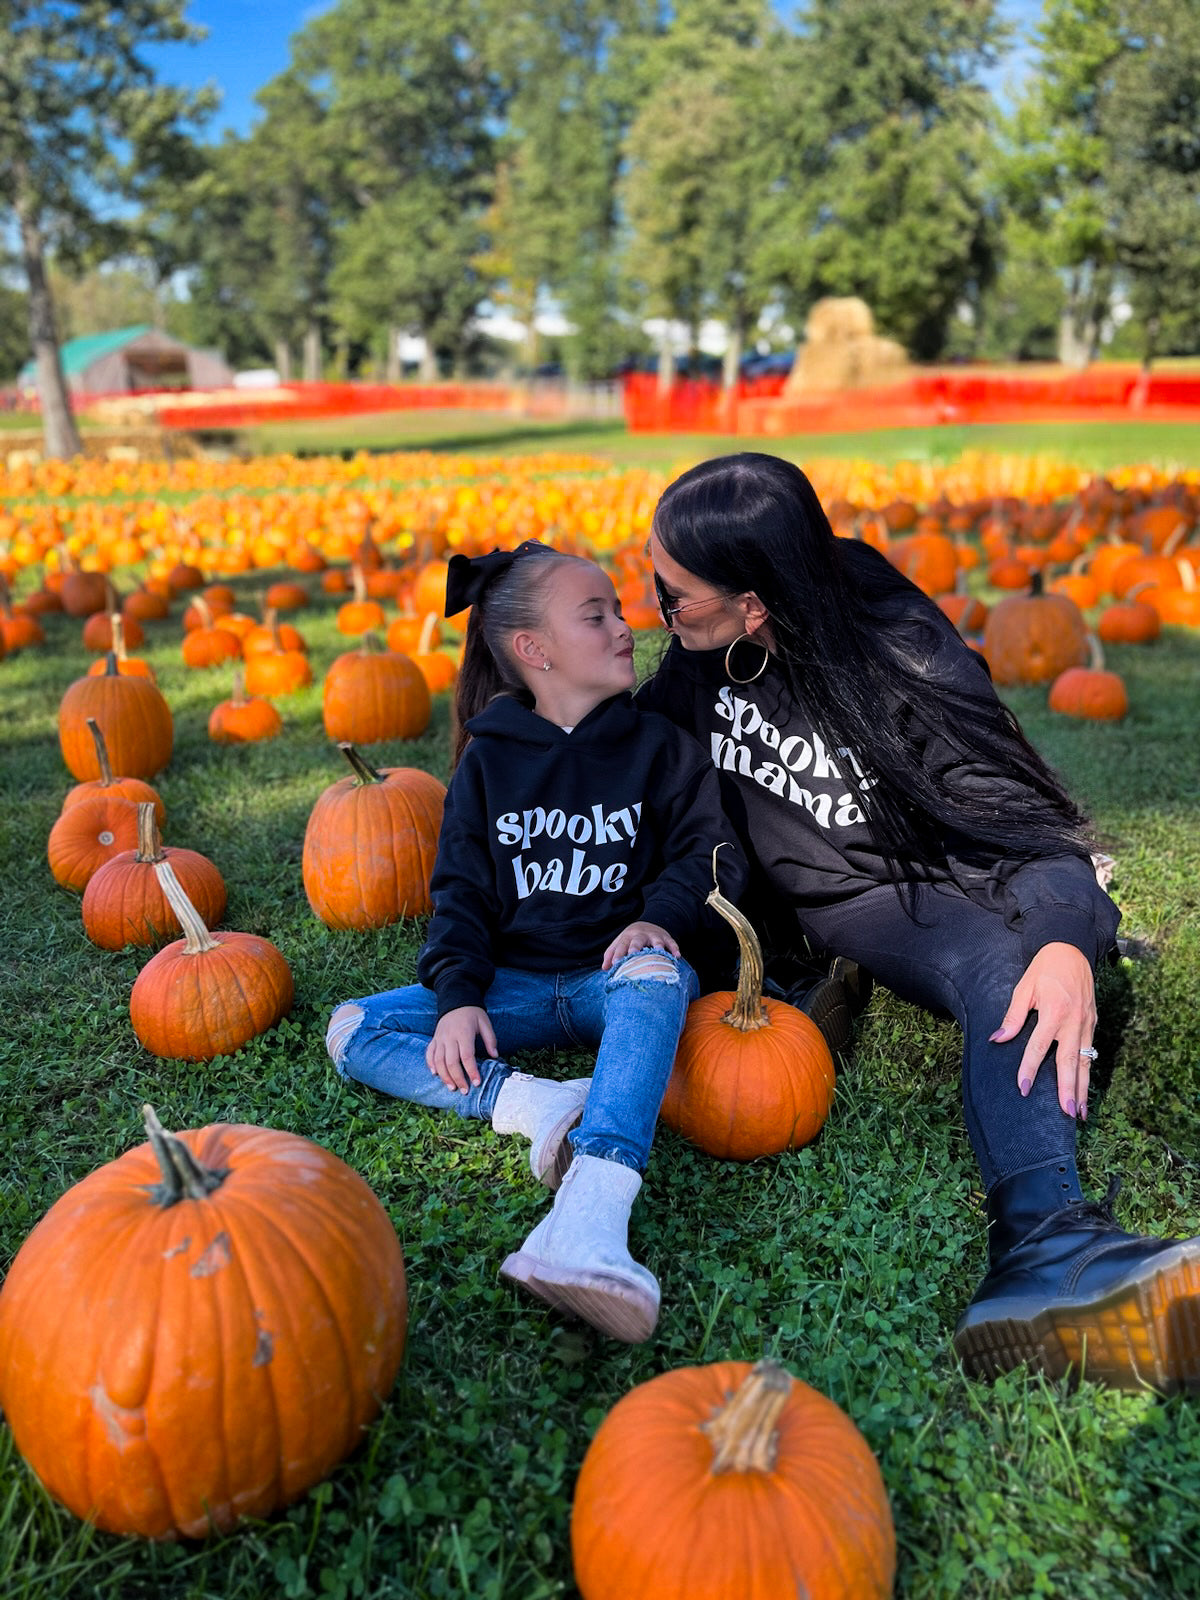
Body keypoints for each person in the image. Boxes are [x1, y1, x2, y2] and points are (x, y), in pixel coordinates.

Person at [635, 450, 1200, 1392]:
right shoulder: (697, 669)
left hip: (951, 860)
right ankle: (1045, 1251)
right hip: (858, 901)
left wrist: (1064, 939)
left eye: (673, 595)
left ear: (756, 603)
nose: (657, 608)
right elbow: (627, 772)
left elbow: (1012, 811)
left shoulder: (896, 644)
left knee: (1034, 943)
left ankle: (1044, 1249)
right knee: (996, 955)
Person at [326, 540, 745, 1344]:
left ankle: (590, 1212)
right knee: (353, 1027)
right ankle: (536, 1103)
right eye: (597, 616)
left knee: (659, 975)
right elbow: (460, 897)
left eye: (620, 612)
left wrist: (658, 914)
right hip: (512, 991)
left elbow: (708, 851)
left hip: (609, 982)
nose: (625, 627)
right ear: (533, 650)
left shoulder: (659, 747)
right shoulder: (488, 764)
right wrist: (456, 1000)